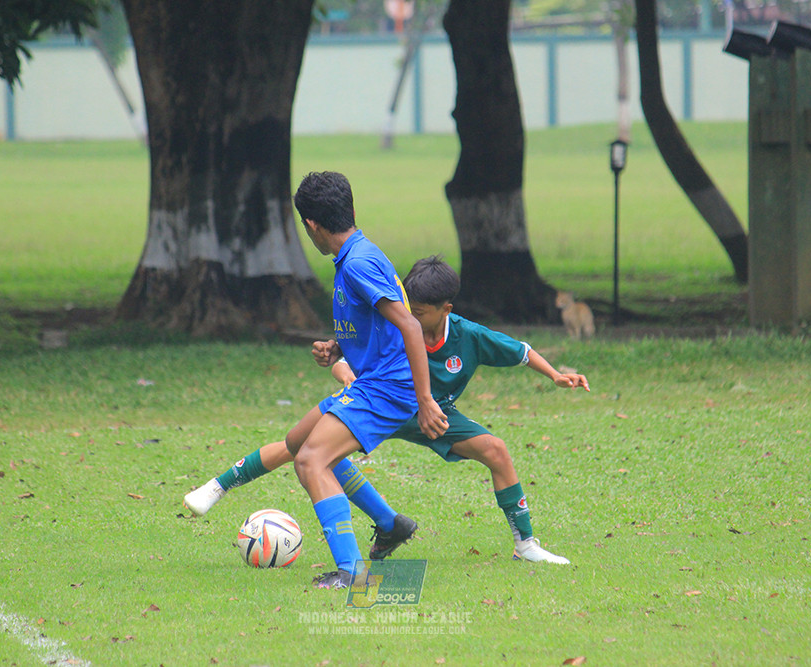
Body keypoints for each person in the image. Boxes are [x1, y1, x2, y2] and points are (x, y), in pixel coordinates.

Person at [185, 255, 589, 565]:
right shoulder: (395, 322)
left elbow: (520, 351)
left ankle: (526, 545)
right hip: (378, 401)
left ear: (446, 309)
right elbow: (353, 349)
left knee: (496, 450)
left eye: (420, 311)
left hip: (434, 415)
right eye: (408, 307)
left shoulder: (468, 336)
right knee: (302, 446)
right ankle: (219, 485)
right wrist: (337, 357)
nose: (410, 316)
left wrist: (556, 375)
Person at [241, 171, 448, 590]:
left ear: (312, 225)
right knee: (301, 442)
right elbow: (380, 322)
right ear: (350, 210)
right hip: (377, 380)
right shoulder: (358, 253)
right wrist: (339, 347)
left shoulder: (356, 264)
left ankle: (352, 573)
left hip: (388, 387)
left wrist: (426, 400)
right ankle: (390, 524)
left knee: (310, 460)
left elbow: (409, 326)